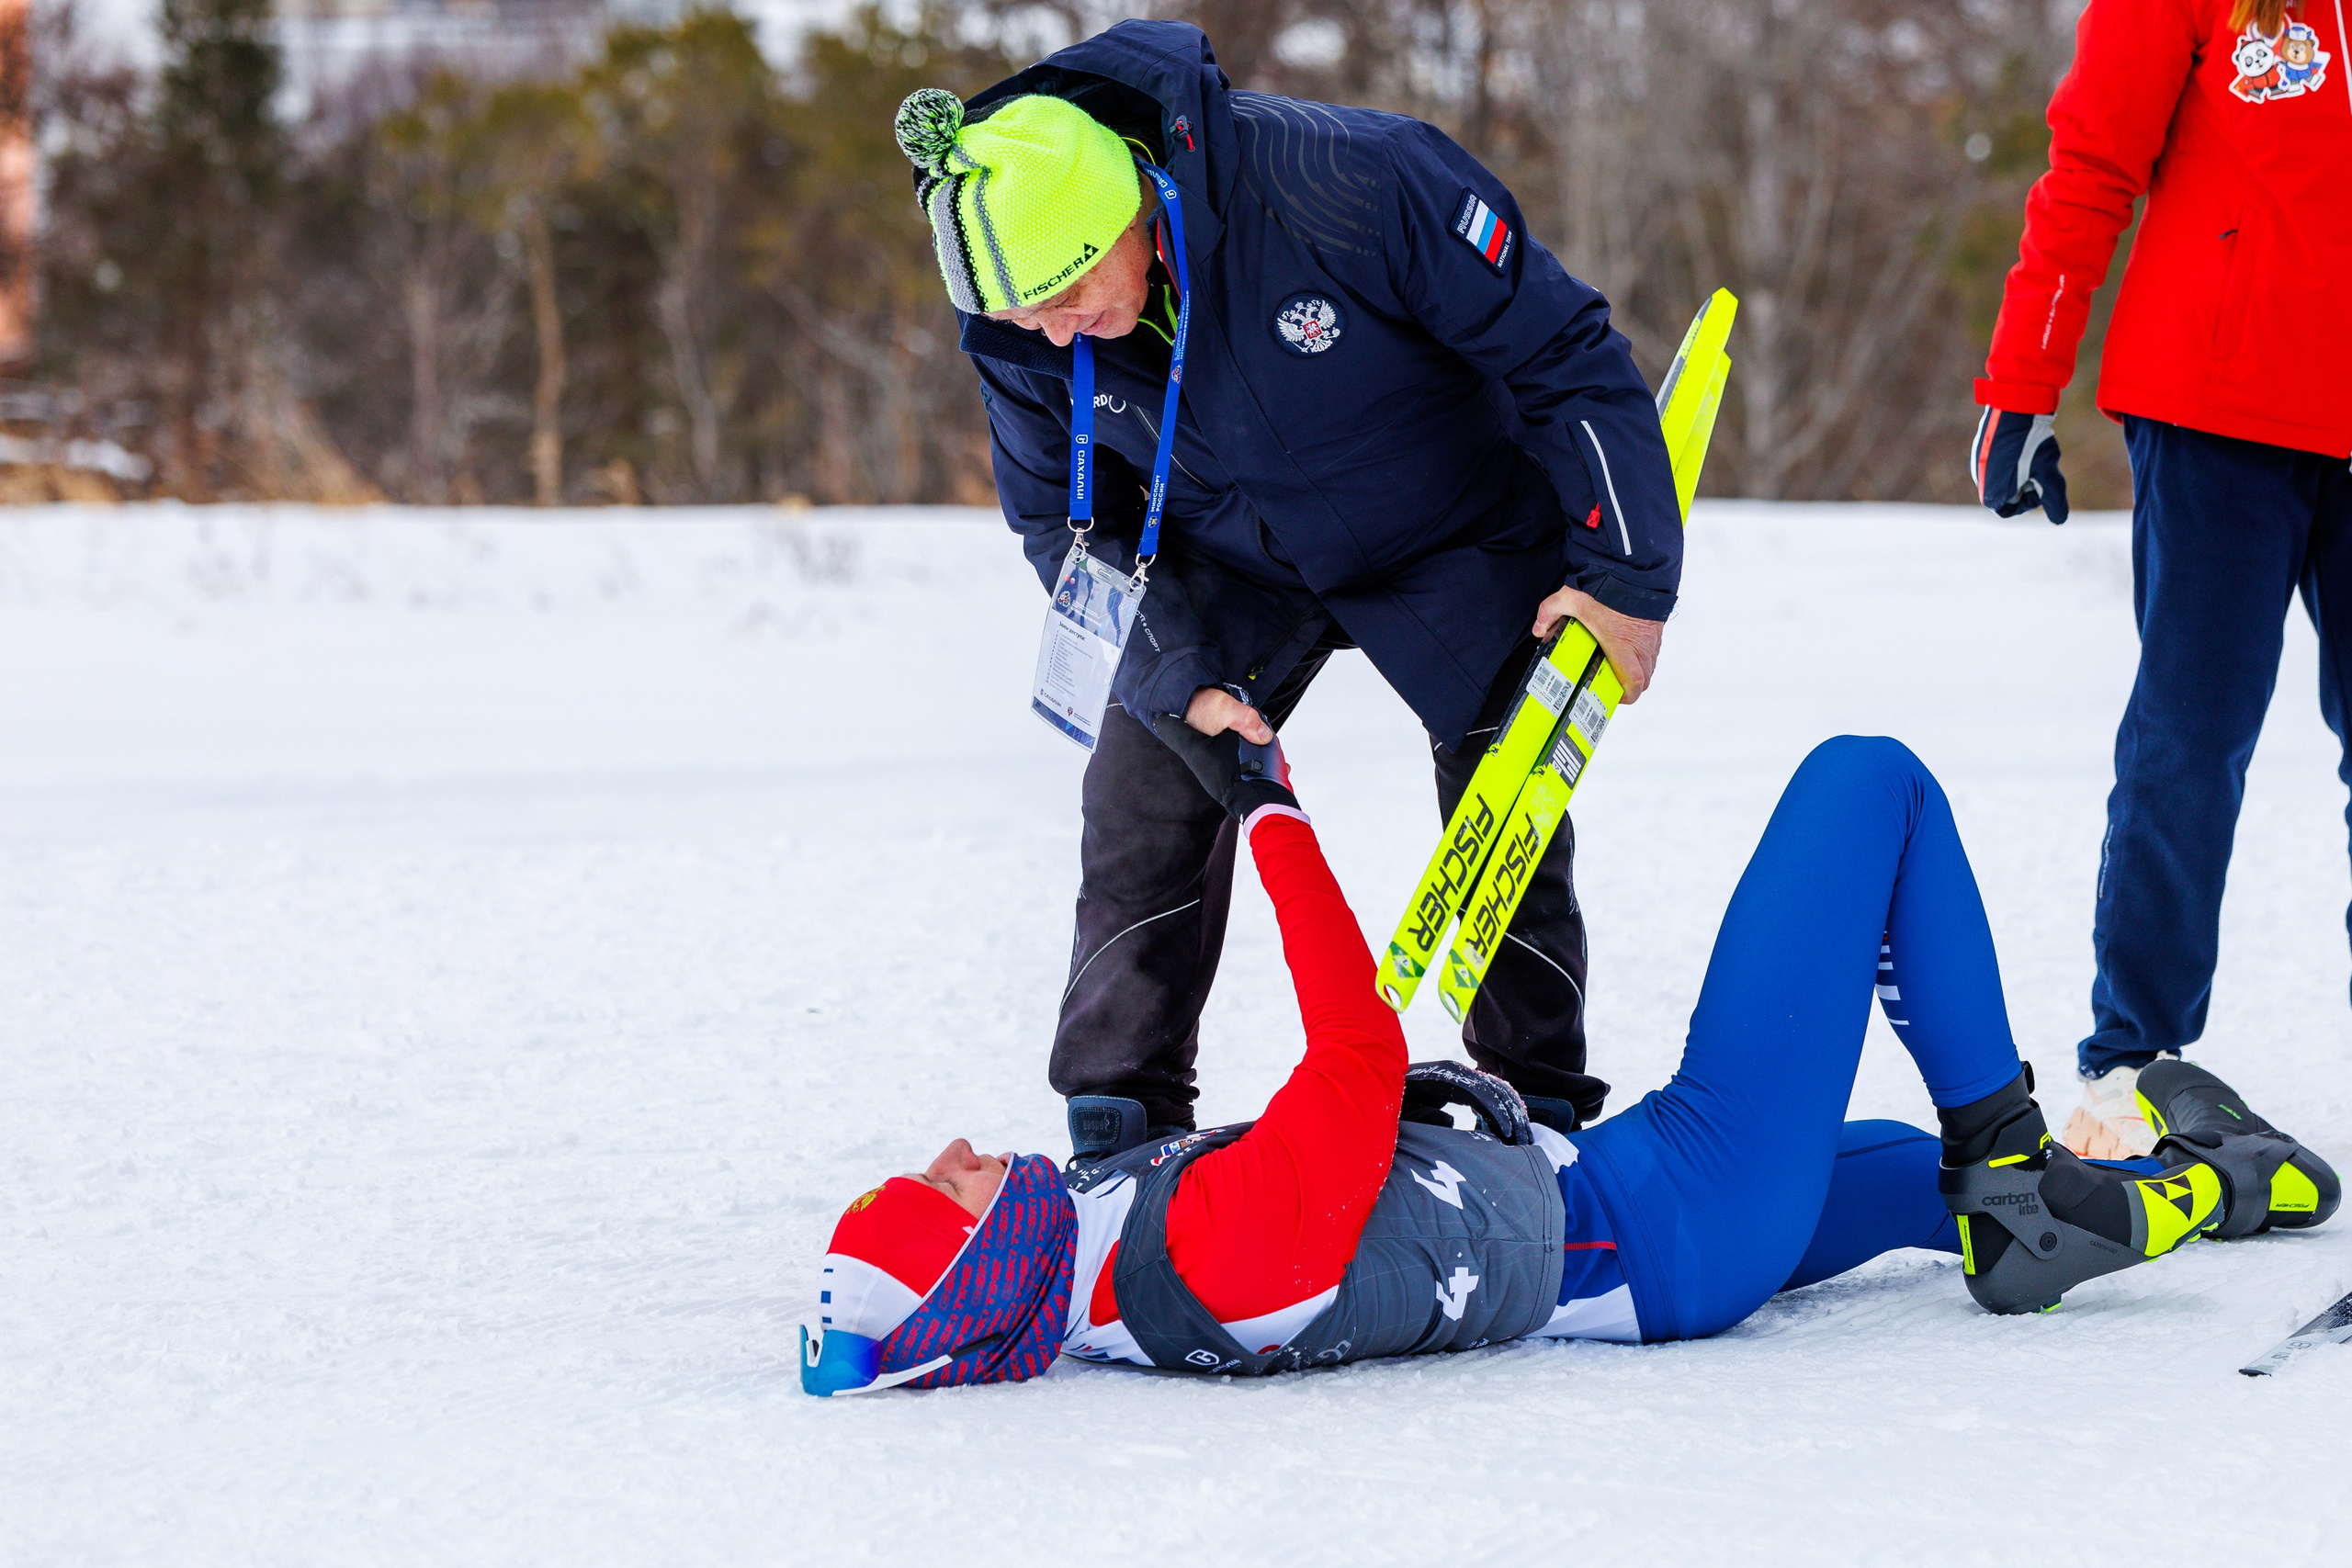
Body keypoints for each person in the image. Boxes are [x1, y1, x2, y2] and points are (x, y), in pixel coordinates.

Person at [798, 735, 2339, 1393]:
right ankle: (2016, 1157)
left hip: (1655, 1224)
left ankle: (2195, 1181)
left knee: (1908, 1178)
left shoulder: (1104, 1269)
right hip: (1674, 1208)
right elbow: (1349, 1056)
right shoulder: (1195, 1252)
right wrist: (1267, 810)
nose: (952, 1148)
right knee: (1868, 785)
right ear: (983, 1267)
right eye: (936, 1194)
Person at [892, 19, 1686, 1157]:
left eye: (1068, 298)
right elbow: (1068, 533)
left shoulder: (1352, 181)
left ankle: (1538, 1105)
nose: (1056, 335)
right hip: (1221, 552)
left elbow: (1562, 354)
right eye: (1026, 322)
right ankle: (1122, 1123)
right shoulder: (1022, 334)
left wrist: (1624, 579)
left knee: (1507, 783)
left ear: (1128, 212)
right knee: (1146, 783)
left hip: (1448, 518)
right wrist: (1176, 675)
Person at [1969, 0, 2352, 1157]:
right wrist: (2022, 381)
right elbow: (2090, 165)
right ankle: (2133, 1060)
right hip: (2214, 409)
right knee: (2191, 735)